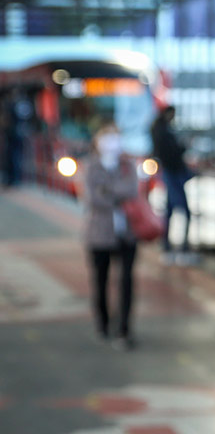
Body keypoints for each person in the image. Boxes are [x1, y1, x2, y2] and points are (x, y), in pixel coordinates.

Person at [82, 123, 139, 351]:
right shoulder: (91, 167)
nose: (112, 142)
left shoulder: (128, 166)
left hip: (127, 233)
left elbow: (132, 191)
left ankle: (124, 328)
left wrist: (107, 191)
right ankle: (103, 324)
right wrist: (116, 194)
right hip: (98, 234)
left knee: (126, 281)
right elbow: (93, 198)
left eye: (115, 137)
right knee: (100, 280)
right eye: (107, 138)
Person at [150, 105, 193, 265]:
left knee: (170, 211)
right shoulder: (163, 132)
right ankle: (182, 249)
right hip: (173, 173)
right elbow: (172, 152)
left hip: (170, 173)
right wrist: (182, 147)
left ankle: (168, 248)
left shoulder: (160, 130)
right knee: (184, 211)